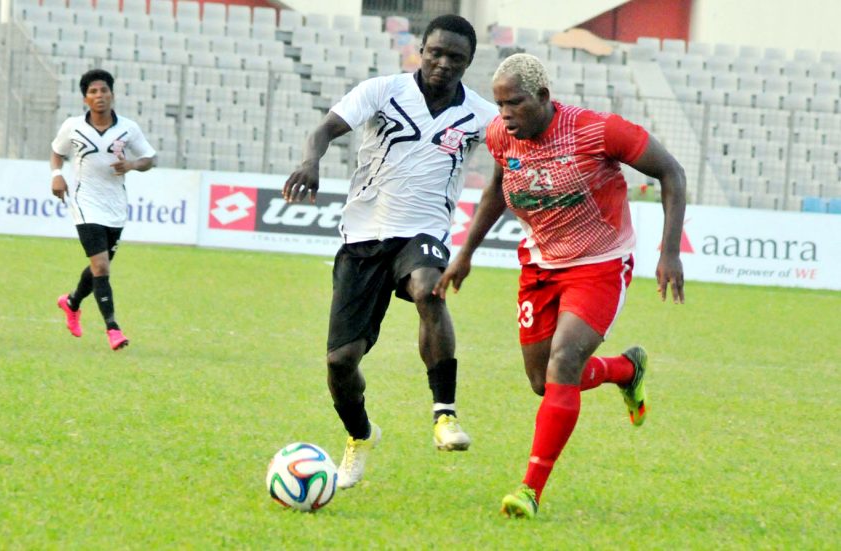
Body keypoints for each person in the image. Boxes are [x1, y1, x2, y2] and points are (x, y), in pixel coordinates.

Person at [434, 53, 686, 518]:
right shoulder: (500, 135)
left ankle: (529, 490)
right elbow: (495, 191)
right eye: (499, 103)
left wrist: (668, 252)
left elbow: (671, 171)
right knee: (542, 382)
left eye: (515, 103)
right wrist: (465, 252)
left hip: (600, 263)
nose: (505, 114)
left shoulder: (597, 130)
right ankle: (626, 371)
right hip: (539, 265)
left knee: (565, 359)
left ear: (544, 98)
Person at [282, 14, 498, 489]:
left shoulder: (483, 116)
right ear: (421, 49)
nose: (442, 64)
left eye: (455, 58)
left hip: (423, 231)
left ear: (469, 63)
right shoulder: (382, 91)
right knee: (340, 363)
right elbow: (323, 131)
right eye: (435, 53)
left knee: (428, 289)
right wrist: (309, 161)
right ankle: (360, 436)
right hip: (363, 237)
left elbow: (513, 163)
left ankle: (445, 414)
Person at [51, 69, 157, 350]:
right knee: (101, 266)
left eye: (104, 91)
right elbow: (57, 152)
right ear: (85, 98)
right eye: (93, 92)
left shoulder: (128, 128)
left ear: (112, 94)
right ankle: (113, 329)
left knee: (100, 266)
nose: (99, 96)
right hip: (85, 203)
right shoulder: (73, 126)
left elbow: (150, 158)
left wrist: (132, 165)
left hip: (115, 206)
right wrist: (56, 175)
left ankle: (72, 302)